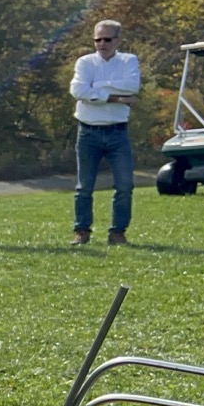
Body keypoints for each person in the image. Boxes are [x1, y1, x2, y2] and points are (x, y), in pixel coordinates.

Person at [70, 19, 141, 245]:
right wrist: (116, 98)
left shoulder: (128, 60)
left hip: (117, 132)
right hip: (88, 132)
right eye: (97, 39)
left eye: (107, 39)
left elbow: (132, 86)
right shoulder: (85, 62)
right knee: (84, 187)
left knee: (124, 185)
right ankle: (82, 231)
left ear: (118, 41)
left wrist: (96, 88)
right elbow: (78, 90)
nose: (101, 44)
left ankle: (117, 233)